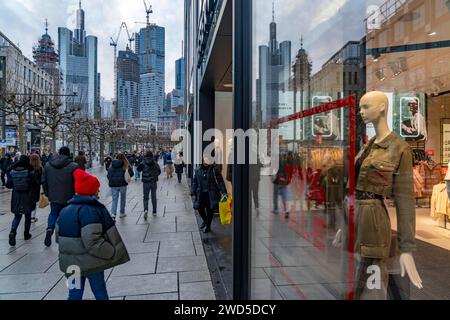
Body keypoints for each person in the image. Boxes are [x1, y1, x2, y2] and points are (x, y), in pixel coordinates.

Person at [56, 169, 130, 300]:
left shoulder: (64, 210)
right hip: (92, 263)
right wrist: (111, 251)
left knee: (74, 294)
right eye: (97, 189)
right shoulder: (91, 211)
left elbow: (58, 238)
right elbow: (93, 242)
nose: (99, 191)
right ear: (91, 191)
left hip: (71, 264)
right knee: (99, 290)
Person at [42, 146, 79, 247]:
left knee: (53, 213)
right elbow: (78, 182)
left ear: (58, 153)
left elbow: (44, 181)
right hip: (69, 196)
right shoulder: (74, 166)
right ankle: (65, 236)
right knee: (67, 216)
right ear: (68, 154)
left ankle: (50, 229)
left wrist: (47, 193)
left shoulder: (48, 165)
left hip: (53, 195)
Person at [6, 155, 40, 246]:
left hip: (16, 195)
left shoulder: (13, 171)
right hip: (27, 195)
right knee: (27, 216)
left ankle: (13, 231)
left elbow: (8, 185)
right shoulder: (30, 171)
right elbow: (36, 183)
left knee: (17, 216)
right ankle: (26, 234)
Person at [191, 157, 227, 234]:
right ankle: (205, 221)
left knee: (209, 210)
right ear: (202, 160)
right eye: (205, 160)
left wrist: (223, 192)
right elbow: (195, 182)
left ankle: (208, 226)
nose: (206, 161)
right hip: (200, 193)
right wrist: (193, 192)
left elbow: (220, 181)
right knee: (199, 208)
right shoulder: (197, 170)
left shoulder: (214, 170)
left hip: (211, 193)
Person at [107, 153, 134, 220]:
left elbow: (108, 175)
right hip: (123, 184)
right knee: (123, 199)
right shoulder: (125, 164)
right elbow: (132, 173)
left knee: (114, 199)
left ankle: (113, 214)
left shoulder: (112, 165)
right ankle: (122, 213)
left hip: (114, 185)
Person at [137, 151, 161, 219]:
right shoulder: (155, 163)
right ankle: (154, 212)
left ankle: (146, 210)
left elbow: (138, 169)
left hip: (146, 182)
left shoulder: (143, 162)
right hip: (153, 182)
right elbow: (159, 172)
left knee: (145, 197)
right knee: (154, 196)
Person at [29, 154, 44, 223]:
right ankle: (32, 217)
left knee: (29, 201)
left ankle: (28, 216)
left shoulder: (28, 167)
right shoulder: (40, 168)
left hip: (28, 187)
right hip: (36, 187)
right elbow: (42, 179)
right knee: (34, 202)